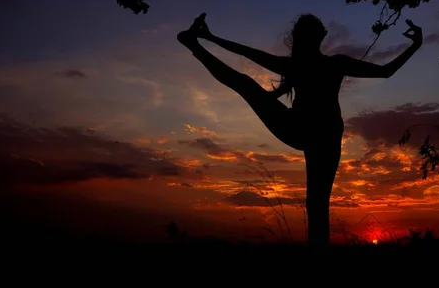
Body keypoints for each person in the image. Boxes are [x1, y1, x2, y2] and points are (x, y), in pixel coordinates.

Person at [177, 13, 423, 246]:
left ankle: (194, 45)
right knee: (317, 205)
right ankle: (193, 45)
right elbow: (249, 53)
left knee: (316, 204)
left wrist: (210, 39)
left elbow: (385, 72)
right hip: (307, 130)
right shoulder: (320, 65)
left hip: (313, 134)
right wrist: (210, 39)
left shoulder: (318, 65)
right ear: (319, 37)